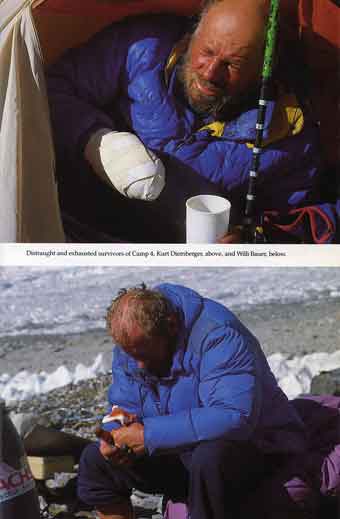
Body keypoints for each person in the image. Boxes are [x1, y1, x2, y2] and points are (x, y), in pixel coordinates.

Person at [46, 0, 337, 243]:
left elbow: (307, 221)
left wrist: (254, 237)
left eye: (232, 64)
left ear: (263, 72)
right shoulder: (143, 47)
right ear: (192, 34)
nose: (210, 72)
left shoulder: (289, 137)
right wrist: (97, 141)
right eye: (207, 52)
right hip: (76, 223)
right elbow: (48, 89)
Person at [77, 283, 308, 519]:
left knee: (210, 457)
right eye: (131, 355)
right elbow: (122, 405)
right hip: (182, 453)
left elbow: (234, 416)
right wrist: (114, 435)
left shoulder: (218, 335)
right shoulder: (134, 346)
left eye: (144, 355)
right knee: (96, 460)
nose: (139, 366)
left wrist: (147, 435)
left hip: (259, 449)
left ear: (171, 326)